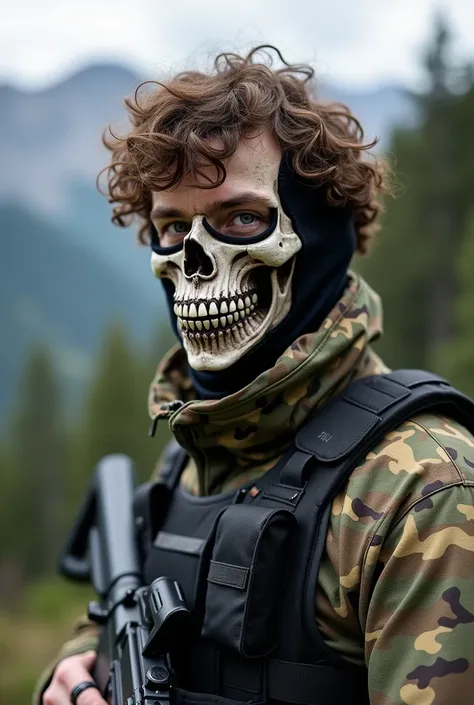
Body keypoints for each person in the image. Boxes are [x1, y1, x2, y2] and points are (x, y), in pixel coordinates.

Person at [37, 47, 474, 705]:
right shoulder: (197, 457)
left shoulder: (424, 488)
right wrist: (71, 672)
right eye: (172, 228)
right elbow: (119, 627)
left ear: (325, 228)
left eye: (240, 219)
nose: (195, 262)